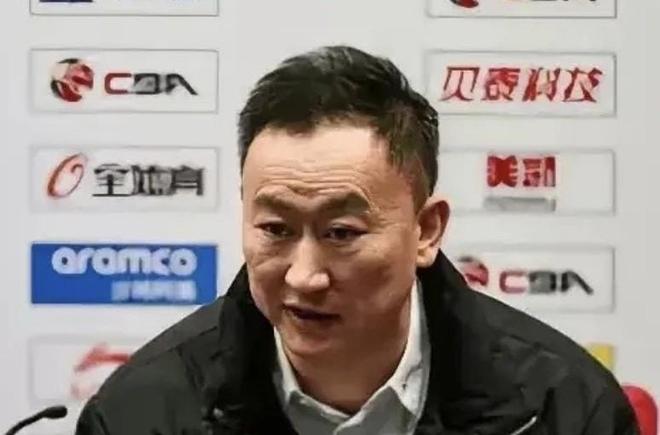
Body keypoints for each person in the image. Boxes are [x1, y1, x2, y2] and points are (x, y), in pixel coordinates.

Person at [76, 46, 638, 435]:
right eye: (275, 229)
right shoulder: (140, 414)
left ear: (426, 231)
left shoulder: (563, 408)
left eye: (341, 233)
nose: (303, 277)